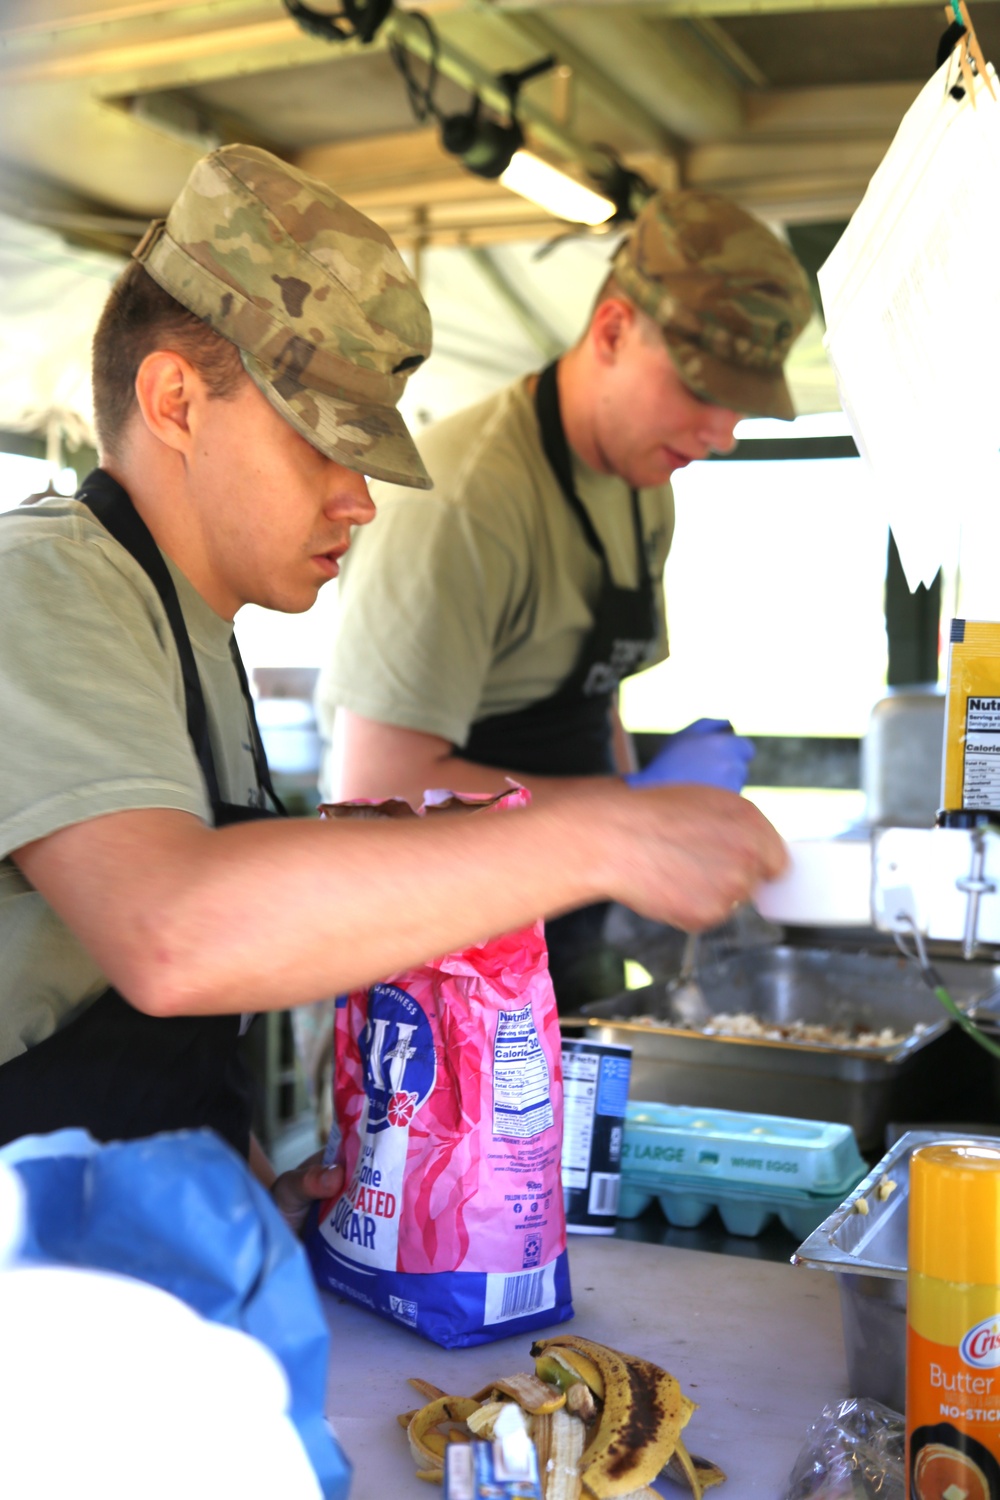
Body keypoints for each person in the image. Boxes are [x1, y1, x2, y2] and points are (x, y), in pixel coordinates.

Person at [0, 144, 786, 1224]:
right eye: (323, 444)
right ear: (176, 400)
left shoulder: (192, 627)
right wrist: (605, 831)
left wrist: (255, 1196)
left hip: (127, 1254)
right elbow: (173, 934)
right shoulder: (41, 583)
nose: (359, 501)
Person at [317, 188, 814, 1008]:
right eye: (701, 388)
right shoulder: (466, 502)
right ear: (614, 330)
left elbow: (598, 702)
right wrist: (633, 807)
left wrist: (641, 845)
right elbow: (379, 786)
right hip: (440, 965)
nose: (723, 432)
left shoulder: (644, 479)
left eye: (741, 403)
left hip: (568, 928)